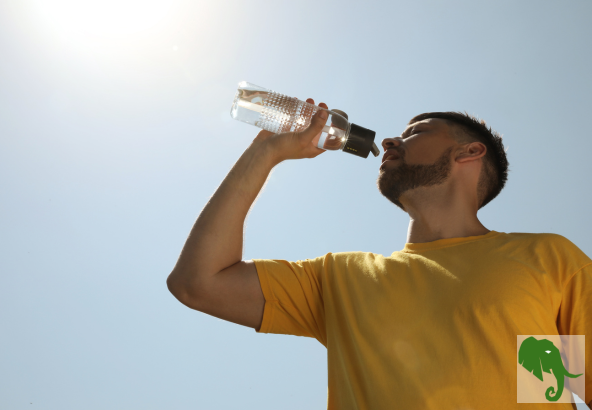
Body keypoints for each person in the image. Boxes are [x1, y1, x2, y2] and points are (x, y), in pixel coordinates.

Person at [166, 98, 592, 409]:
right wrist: (266, 151)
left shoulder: (543, 258)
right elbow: (199, 282)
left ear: (470, 152)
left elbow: (572, 378)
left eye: (415, 132)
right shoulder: (340, 279)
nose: (390, 140)